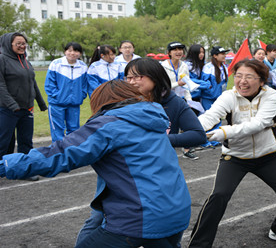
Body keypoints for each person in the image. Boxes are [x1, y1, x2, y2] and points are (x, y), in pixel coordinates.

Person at [0, 80, 191, 247]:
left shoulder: (108, 124)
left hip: (141, 217)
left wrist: (6, 165)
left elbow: (59, 154)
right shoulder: (154, 118)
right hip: (178, 210)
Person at [75, 58, 205, 245]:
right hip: (120, 174)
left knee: (165, 229)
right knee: (97, 218)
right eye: (128, 77)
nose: (132, 82)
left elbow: (198, 135)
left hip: (157, 176)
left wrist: (162, 140)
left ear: (156, 77)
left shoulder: (173, 103)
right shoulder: (122, 101)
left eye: (138, 76)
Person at [189, 59, 276, 247]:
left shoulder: (271, 95)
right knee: (218, 196)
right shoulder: (228, 96)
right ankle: (198, 245)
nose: (242, 81)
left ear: (261, 80)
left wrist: (223, 133)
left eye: (249, 77)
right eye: (238, 76)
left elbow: (258, 124)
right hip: (235, 157)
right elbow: (211, 116)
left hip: (267, 155)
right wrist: (195, 130)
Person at [0, 32, 47, 183]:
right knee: (4, 141)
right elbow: (0, 86)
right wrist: (13, 105)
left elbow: (32, 83)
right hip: (7, 109)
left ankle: (24, 170)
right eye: (18, 43)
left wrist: (40, 103)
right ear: (9, 44)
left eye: (24, 43)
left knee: (26, 142)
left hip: (27, 109)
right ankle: (3, 169)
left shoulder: (26, 61)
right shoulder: (2, 59)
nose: (22, 46)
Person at [44, 42, 88, 142]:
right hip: (57, 104)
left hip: (74, 104)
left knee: (74, 130)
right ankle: (58, 153)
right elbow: (49, 84)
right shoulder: (56, 64)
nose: (73, 53)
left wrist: (81, 96)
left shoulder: (83, 66)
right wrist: (57, 96)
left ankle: (71, 152)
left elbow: (84, 85)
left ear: (80, 53)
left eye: (76, 51)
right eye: (70, 50)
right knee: (57, 131)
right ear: (65, 52)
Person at [200, 46, 229, 110]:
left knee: (218, 118)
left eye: (224, 54)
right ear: (215, 56)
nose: (224, 56)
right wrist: (211, 92)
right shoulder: (208, 67)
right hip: (208, 99)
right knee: (209, 118)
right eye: (222, 54)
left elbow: (225, 83)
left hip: (220, 99)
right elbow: (204, 83)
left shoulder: (224, 67)